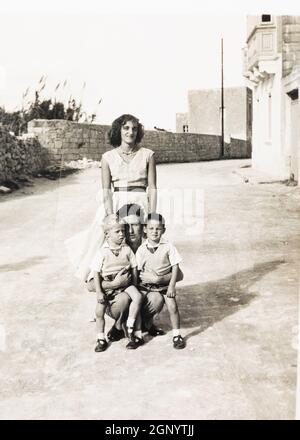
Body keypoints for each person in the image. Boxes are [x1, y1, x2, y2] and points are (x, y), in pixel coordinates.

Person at [65, 114, 157, 283]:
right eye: (126, 128)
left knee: (139, 242)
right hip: (116, 203)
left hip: (141, 202)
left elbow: (152, 187)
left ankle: (140, 283)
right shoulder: (108, 157)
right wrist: (110, 214)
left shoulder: (148, 155)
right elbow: (106, 190)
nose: (131, 132)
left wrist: (151, 215)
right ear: (119, 131)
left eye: (135, 129)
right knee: (113, 243)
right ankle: (116, 284)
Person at [103, 203, 184, 341]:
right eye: (126, 226)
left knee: (156, 298)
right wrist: (114, 283)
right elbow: (90, 284)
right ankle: (119, 325)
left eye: (135, 225)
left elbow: (179, 275)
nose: (131, 231)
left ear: (143, 227)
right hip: (118, 298)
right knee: (124, 299)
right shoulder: (111, 248)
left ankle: (146, 323)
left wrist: (159, 279)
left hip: (142, 293)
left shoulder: (149, 245)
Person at [88, 215, 144, 352]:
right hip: (108, 284)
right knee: (99, 311)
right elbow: (95, 272)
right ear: (107, 234)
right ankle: (100, 338)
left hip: (126, 285)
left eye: (122, 231)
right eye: (117, 232)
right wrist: (101, 292)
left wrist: (135, 284)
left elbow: (134, 267)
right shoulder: (102, 252)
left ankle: (133, 328)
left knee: (138, 297)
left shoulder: (127, 249)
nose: (122, 234)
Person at [136, 212, 185, 349]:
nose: (154, 232)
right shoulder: (141, 250)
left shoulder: (168, 246)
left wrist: (171, 286)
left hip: (164, 285)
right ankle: (138, 335)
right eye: (151, 228)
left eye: (158, 228)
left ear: (163, 230)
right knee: (138, 304)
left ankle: (177, 335)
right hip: (147, 285)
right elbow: (138, 271)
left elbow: (175, 266)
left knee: (173, 306)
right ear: (145, 229)